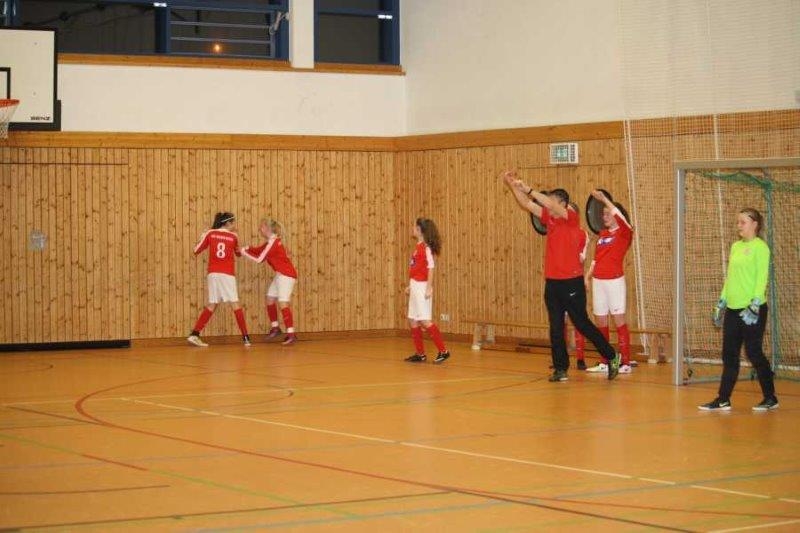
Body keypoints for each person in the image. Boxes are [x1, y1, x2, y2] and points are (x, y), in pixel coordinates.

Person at [502, 170, 620, 382]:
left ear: (563, 204)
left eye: (552, 202)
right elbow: (527, 204)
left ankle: (612, 356)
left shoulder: (571, 218)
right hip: (553, 284)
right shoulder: (550, 220)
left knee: (582, 324)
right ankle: (560, 368)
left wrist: (528, 188)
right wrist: (512, 186)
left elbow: (548, 204)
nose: (548, 206)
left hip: (571, 283)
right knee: (556, 328)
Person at [699, 208, 778, 411]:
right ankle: (723, 399)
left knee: (754, 352)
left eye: (743, 222)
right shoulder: (735, 247)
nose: (739, 226)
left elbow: (762, 277)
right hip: (733, 310)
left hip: (752, 309)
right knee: (729, 354)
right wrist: (721, 301)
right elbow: (730, 277)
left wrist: (755, 303)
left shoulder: (761, 248)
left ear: (755, 224)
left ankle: (770, 397)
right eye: (738, 222)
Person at [584, 190, 635, 374]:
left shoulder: (624, 233)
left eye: (607, 213)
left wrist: (605, 199)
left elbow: (620, 216)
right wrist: (587, 277)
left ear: (615, 216)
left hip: (614, 282)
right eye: (603, 214)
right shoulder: (603, 235)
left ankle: (626, 363)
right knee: (601, 322)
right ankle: (605, 361)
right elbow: (596, 259)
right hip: (599, 282)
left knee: (619, 321)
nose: (603, 216)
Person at [188, 212, 250, 347]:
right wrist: (243, 249)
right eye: (233, 222)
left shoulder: (210, 233)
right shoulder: (233, 236)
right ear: (227, 223)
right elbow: (238, 254)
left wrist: (202, 236)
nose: (234, 225)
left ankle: (194, 334)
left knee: (213, 303)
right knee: (235, 304)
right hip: (227, 274)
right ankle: (246, 337)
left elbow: (196, 250)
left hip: (213, 274)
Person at [241, 218, 299, 346]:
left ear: (267, 228)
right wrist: (247, 248)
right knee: (270, 298)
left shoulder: (273, 242)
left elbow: (259, 259)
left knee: (283, 302)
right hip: (280, 274)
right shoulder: (270, 242)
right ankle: (275, 328)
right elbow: (258, 250)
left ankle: (291, 334)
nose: (260, 229)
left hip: (286, 275)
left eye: (261, 227)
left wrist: (244, 252)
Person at [404, 218, 450, 364]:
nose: (412, 228)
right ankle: (420, 354)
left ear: (419, 230)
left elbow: (431, 267)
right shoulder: (418, 247)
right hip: (415, 285)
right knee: (412, 319)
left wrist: (428, 287)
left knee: (424, 320)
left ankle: (443, 351)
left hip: (422, 287)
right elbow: (417, 268)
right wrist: (411, 285)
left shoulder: (426, 248)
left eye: (414, 226)